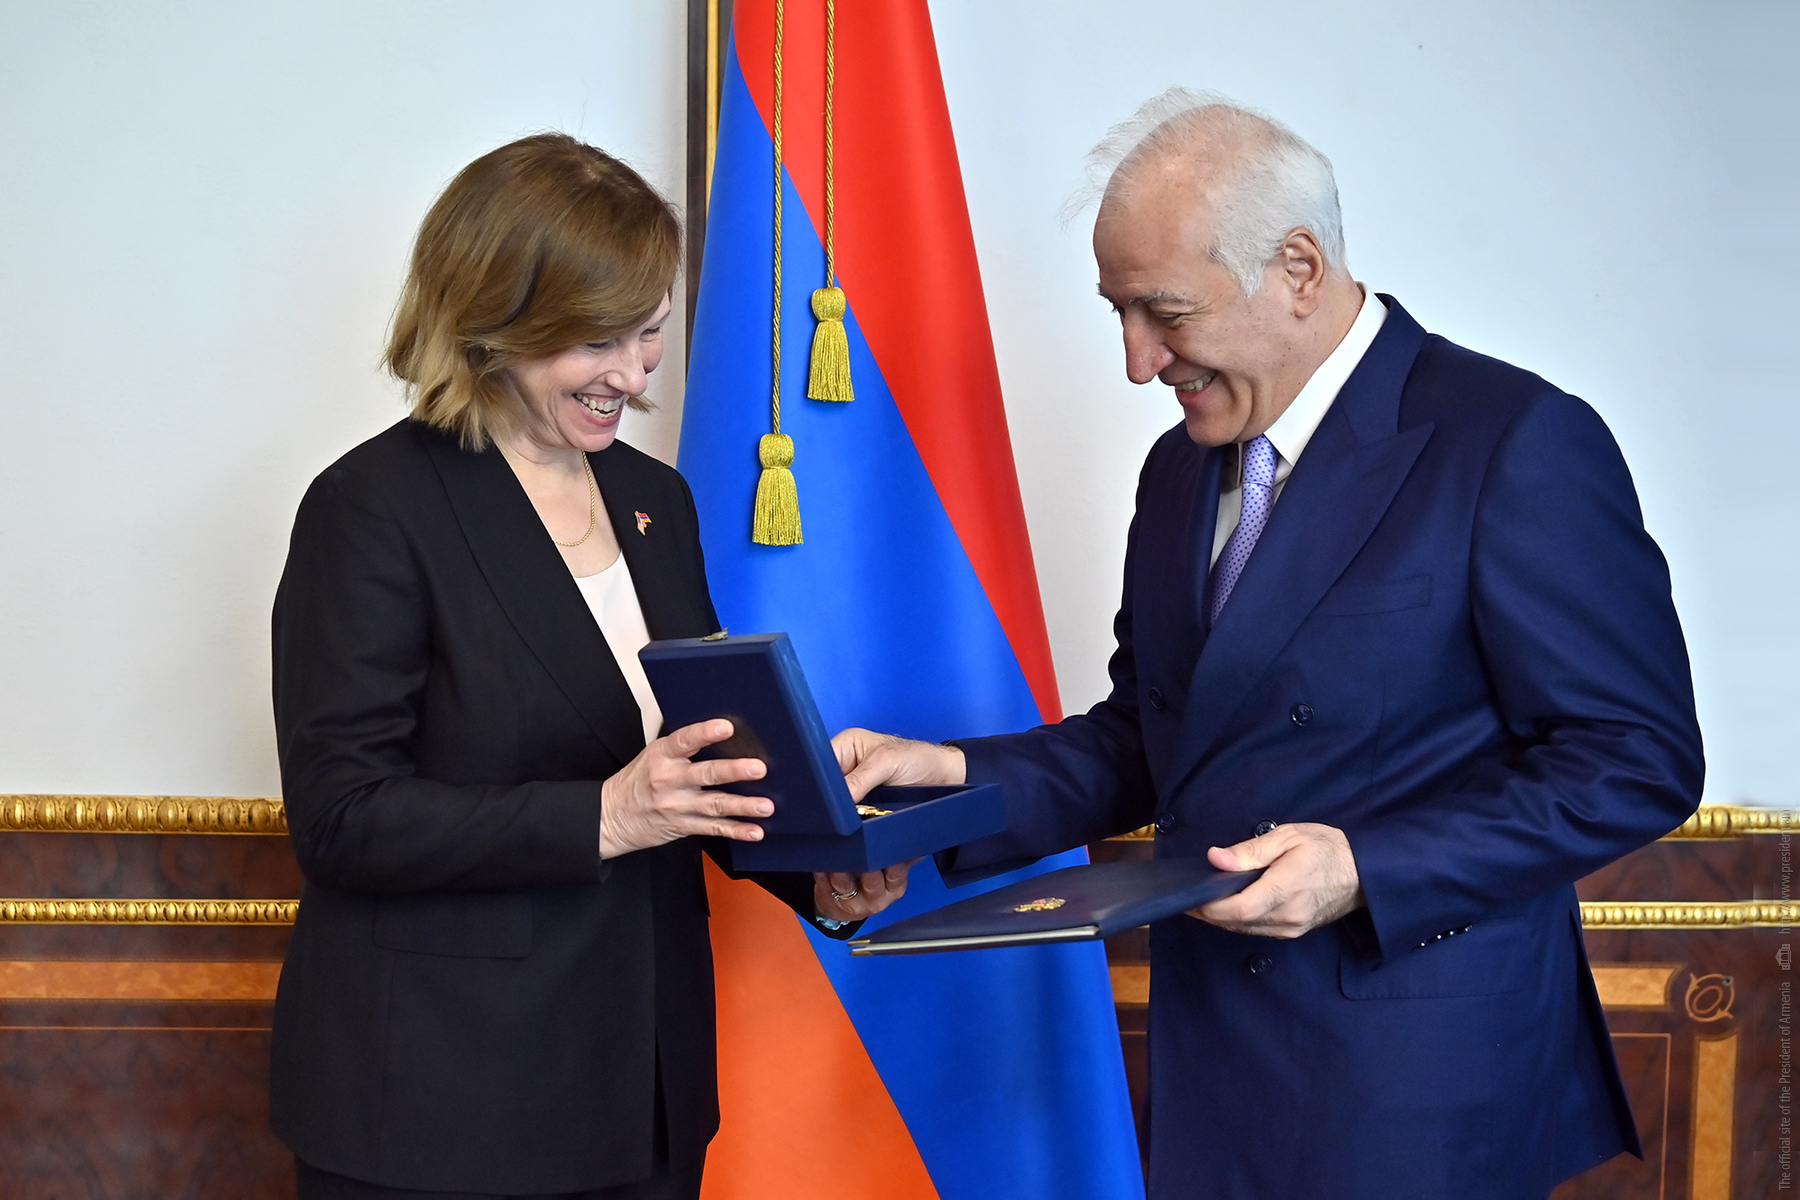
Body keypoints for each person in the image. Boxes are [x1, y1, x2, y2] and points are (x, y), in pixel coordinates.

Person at [835, 91, 1703, 1199]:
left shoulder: (1516, 440)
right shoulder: (1179, 468)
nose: (1138, 362)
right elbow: (1154, 740)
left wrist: (1364, 869)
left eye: (1164, 312)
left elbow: (1636, 759)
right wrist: (949, 776)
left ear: (1298, 268)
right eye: (1118, 313)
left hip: (1414, 1088)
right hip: (1216, 1060)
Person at [270, 133, 910, 1200]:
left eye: (649, 332)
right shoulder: (371, 510)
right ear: (490, 323)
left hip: (642, 1094)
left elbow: (695, 768)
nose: (633, 374)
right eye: (596, 342)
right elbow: (342, 817)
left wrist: (822, 878)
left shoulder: (657, 502)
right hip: (440, 1107)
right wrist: (605, 816)